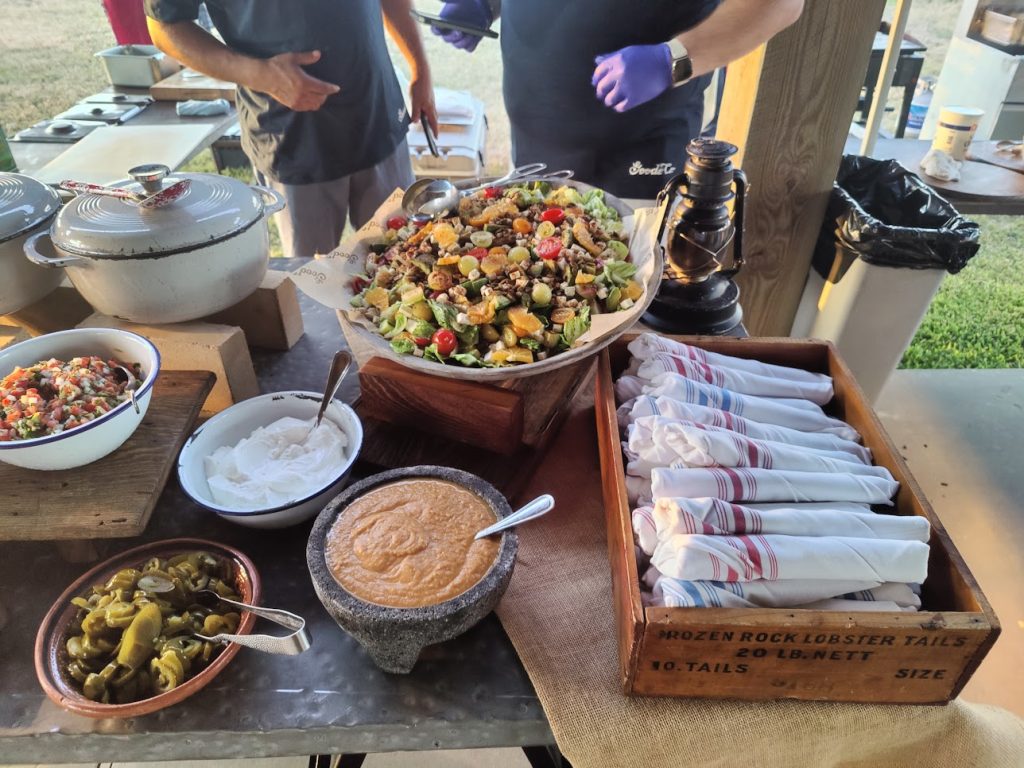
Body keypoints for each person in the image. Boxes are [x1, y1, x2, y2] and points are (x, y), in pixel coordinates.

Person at [145, 0, 439, 258]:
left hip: (377, 116)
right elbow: (164, 27)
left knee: (406, 261)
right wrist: (260, 75)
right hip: (291, 136)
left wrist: (421, 67)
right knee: (311, 281)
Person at [433, 0, 804, 199]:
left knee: (624, 280)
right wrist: (482, 4)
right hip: (535, 130)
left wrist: (673, 59)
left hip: (639, 144)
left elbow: (781, 4)